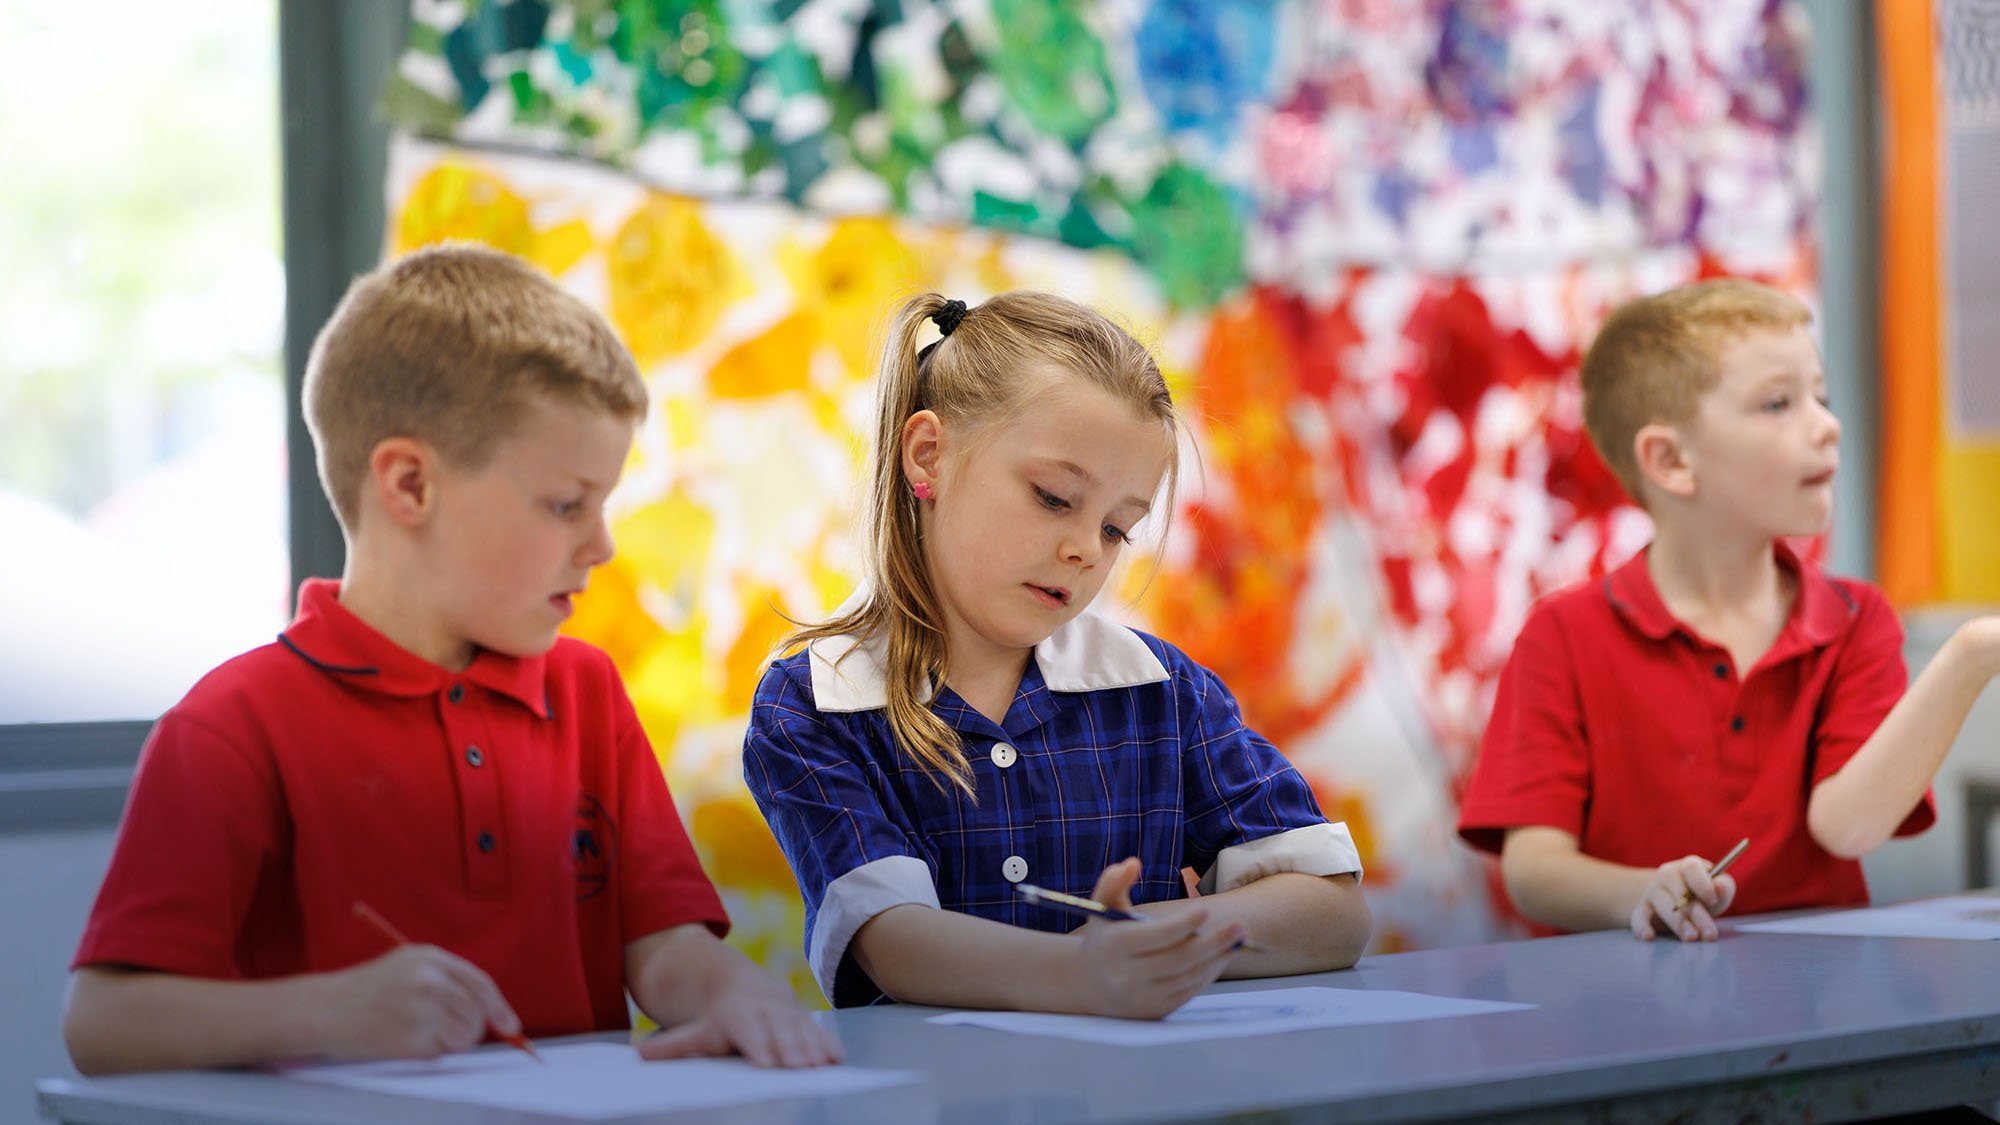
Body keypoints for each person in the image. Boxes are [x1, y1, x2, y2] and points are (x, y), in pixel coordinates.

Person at [63, 245, 840, 1074]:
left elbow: (663, 947)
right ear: (409, 486)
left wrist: (731, 989)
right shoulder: (231, 724)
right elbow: (104, 1022)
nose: (602, 544)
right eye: (567, 504)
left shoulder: (587, 691)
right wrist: (328, 1010)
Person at [743, 291, 1371, 1016]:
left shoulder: (1166, 693)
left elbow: (1335, 912)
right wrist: (1084, 968)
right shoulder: (816, 703)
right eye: (1052, 497)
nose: (1083, 549)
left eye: (1116, 528)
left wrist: (1156, 934)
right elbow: (893, 940)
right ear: (929, 456)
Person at [1458, 278, 2000, 942]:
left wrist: (1975, 652)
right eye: (1778, 403)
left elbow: (1849, 825)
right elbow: (1534, 869)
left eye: (1821, 398)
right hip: (1616, 1017)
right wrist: (1642, 891)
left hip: (1818, 1015)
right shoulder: (1561, 636)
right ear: (1670, 459)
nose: (1828, 425)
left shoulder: (1857, 618)